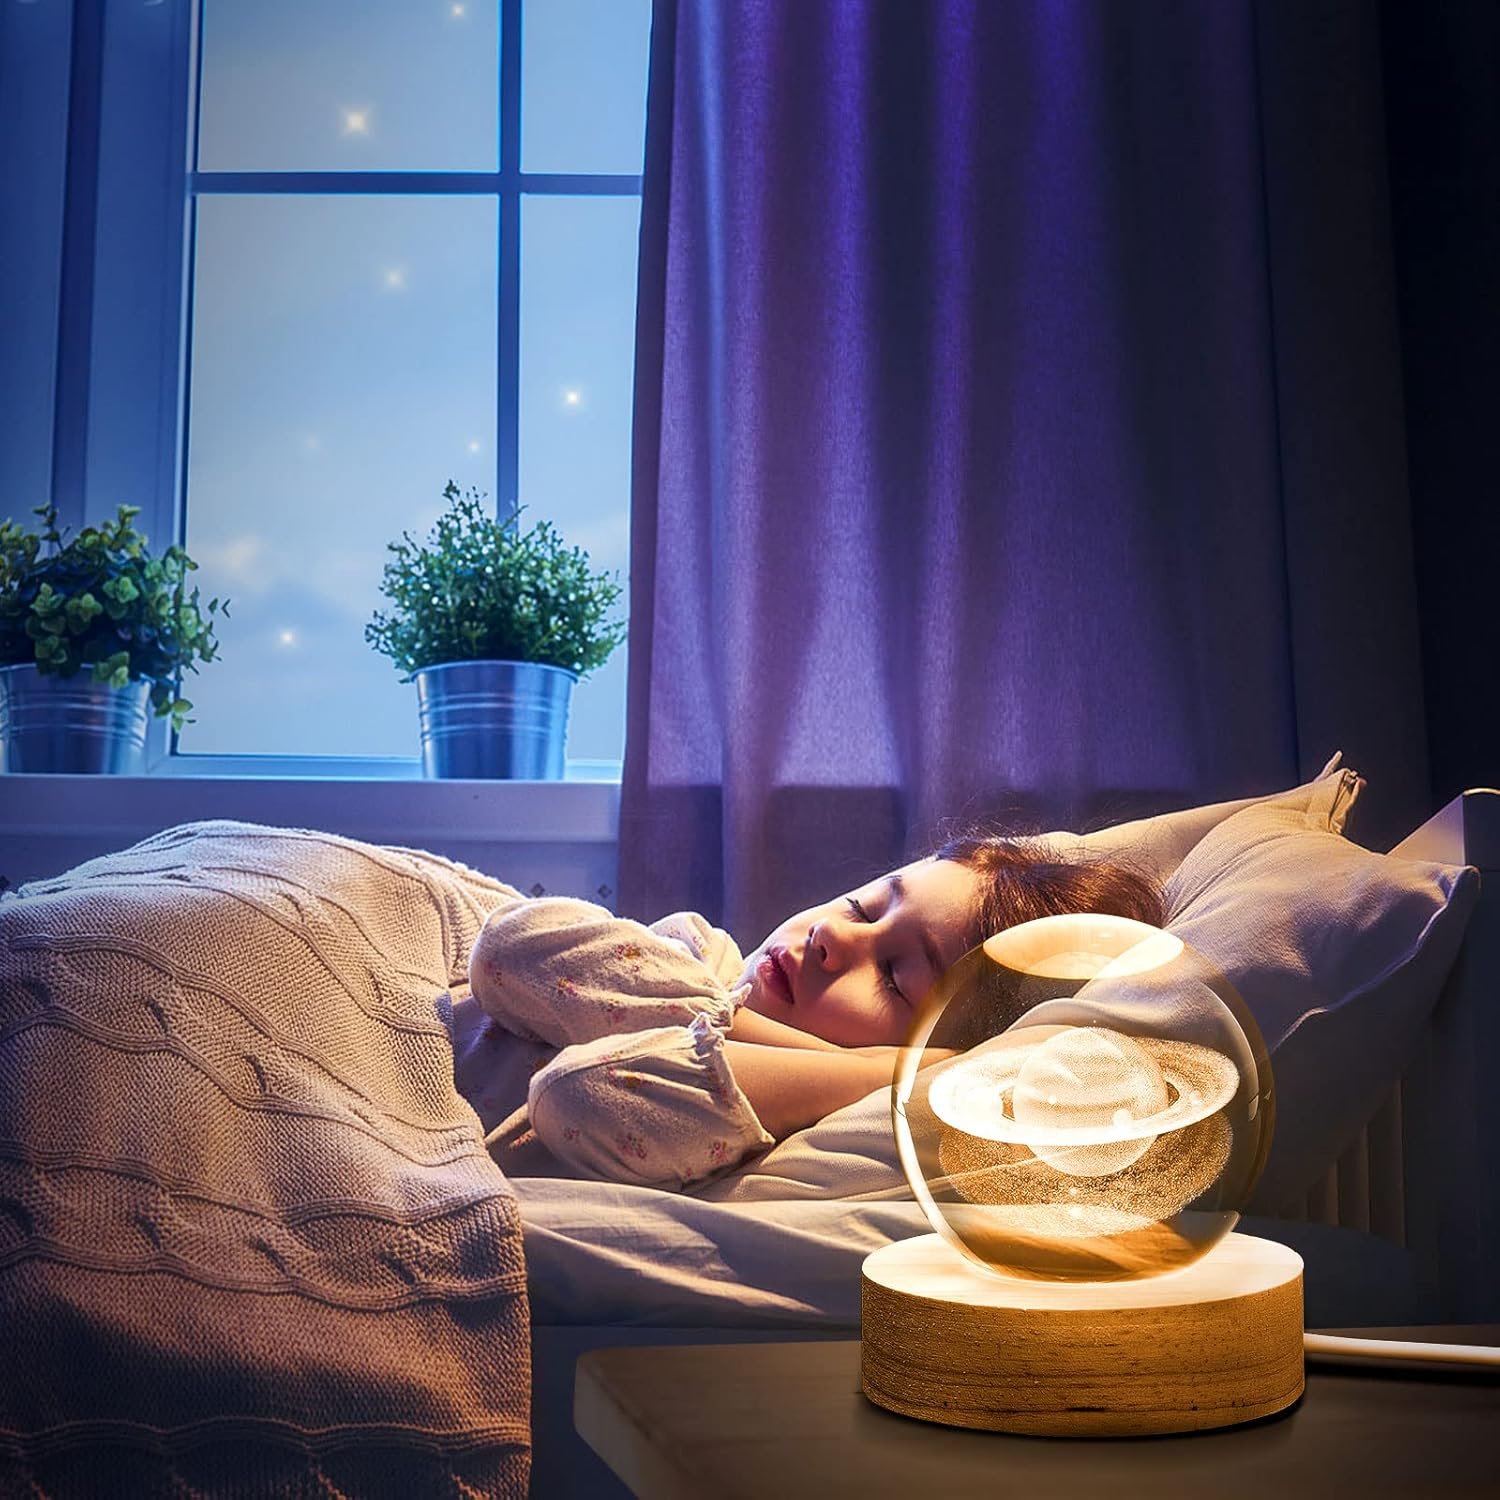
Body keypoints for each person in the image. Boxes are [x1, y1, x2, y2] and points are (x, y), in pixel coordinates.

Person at [455, 832, 1163, 1193]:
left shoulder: (760, 1121)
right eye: (864, 905)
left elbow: (577, 1094)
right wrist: (758, 1021)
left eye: (892, 975)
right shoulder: (702, 954)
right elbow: (509, 947)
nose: (833, 936)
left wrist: (888, 1077)